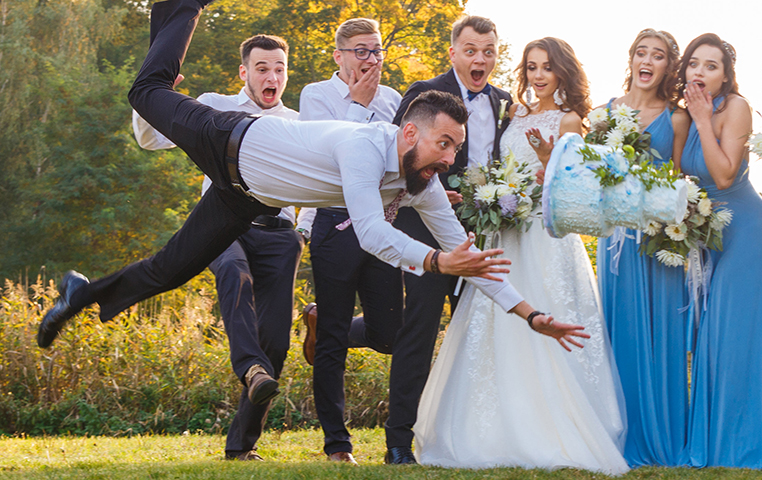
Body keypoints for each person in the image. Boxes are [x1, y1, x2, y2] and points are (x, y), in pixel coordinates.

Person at [36, 0, 587, 421]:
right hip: (225, 140)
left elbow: (468, 257)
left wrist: (532, 315)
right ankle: (184, 7)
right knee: (145, 91)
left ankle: (80, 294)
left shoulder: (421, 181)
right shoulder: (363, 146)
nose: (450, 159)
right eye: (444, 145)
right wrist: (440, 263)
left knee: (169, 270)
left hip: (245, 197)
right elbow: (371, 234)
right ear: (409, 133)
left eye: (455, 148)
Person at [415, 37, 628, 475]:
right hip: (504, 232)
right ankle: (490, 429)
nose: (538, 75)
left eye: (547, 67)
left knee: (548, 311)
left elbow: (575, 186)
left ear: (563, 71)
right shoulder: (514, 113)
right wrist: (493, 198)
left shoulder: (570, 120)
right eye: (531, 67)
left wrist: (548, 163)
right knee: (497, 322)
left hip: (545, 236)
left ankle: (554, 425)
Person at [131, 33, 305, 462]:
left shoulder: (300, 123)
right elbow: (151, 140)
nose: (272, 77)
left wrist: (304, 231)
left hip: (279, 233)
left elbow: (320, 181)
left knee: (276, 341)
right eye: (262, 68)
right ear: (244, 72)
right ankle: (250, 367)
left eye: (279, 69)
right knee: (232, 271)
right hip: (224, 226)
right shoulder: (214, 106)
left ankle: (242, 446)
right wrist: (157, 97)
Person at [384, 15, 512, 465]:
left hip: (479, 232)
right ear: (453, 52)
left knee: (473, 332)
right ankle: (399, 441)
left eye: (489, 51)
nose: (480, 59)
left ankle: (468, 439)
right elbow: (396, 157)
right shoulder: (424, 92)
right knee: (419, 327)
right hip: (424, 231)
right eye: (471, 50)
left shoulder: (504, 102)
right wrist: (431, 184)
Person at [294, 18, 403, 464]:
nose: (370, 59)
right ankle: (337, 444)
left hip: (381, 223)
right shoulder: (316, 96)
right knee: (334, 342)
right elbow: (326, 159)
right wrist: (358, 103)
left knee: (390, 334)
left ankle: (319, 321)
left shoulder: (394, 99)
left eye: (376, 50)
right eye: (360, 51)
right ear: (339, 55)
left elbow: (397, 159)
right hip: (335, 223)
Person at [677, 34, 762, 468]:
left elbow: (722, 176)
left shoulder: (735, 107)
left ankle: (740, 447)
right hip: (709, 235)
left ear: (725, 76)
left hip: (747, 235)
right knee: (711, 337)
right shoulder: (685, 113)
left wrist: (704, 120)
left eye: (711, 66)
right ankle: (716, 440)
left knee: (733, 336)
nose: (700, 72)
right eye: (694, 64)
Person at [594, 28, 691, 468]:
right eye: (641, 53)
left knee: (661, 332)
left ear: (669, 67)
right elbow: (591, 174)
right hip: (616, 238)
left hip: (657, 239)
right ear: (631, 59)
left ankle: (661, 434)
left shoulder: (677, 119)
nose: (647, 61)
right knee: (621, 331)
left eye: (658, 55)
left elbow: (680, 181)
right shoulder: (605, 113)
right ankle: (618, 432)